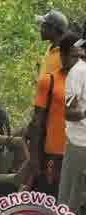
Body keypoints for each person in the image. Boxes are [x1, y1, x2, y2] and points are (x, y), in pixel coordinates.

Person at [23, 33, 82, 197]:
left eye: (81, 57)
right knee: (51, 204)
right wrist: (34, 158)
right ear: (62, 55)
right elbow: (37, 122)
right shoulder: (49, 81)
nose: (78, 61)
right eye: (74, 56)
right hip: (55, 154)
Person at [37, 10, 68, 79]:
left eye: (43, 25)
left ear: (53, 29)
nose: (40, 29)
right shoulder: (50, 48)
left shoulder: (65, 55)